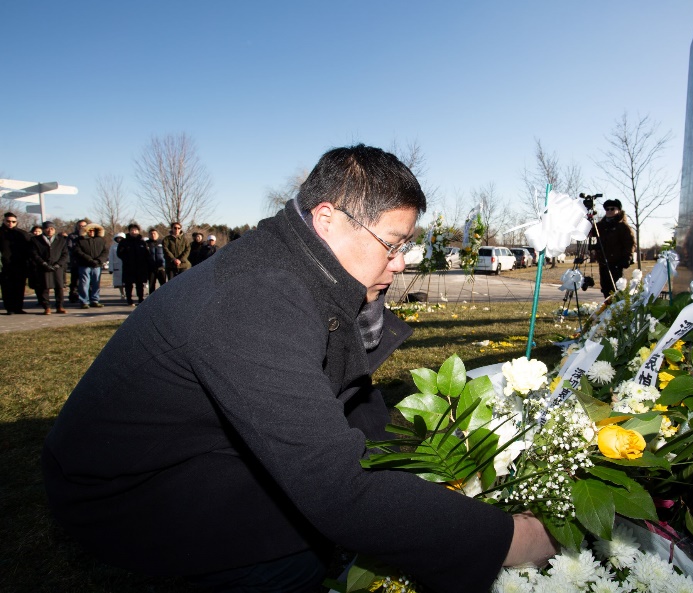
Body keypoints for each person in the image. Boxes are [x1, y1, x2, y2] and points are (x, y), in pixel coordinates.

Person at [42, 144, 556, 593]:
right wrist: (514, 538)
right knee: (290, 555)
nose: (401, 263)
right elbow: (342, 492)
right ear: (327, 218)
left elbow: (352, 402)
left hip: (189, 452)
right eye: (393, 244)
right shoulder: (255, 298)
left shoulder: (301, 267)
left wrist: (429, 462)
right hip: (128, 490)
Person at [593, 198, 636, 298]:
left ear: (618, 210)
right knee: (605, 288)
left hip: (616, 263)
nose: (609, 211)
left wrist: (627, 258)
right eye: (607, 209)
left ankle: (616, 309)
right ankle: (607, 308)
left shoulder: (623, 227)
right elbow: (590, 231)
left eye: (612, 209)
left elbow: (630, 244)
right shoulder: (601, 226)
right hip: (603, 262)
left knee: (616, 288)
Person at [31, 220, 69, 314]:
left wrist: (58, 264)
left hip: (57, 267)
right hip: (43, 267)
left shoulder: (61, 240)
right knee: (44, 288)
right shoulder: (36, 240)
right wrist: (43, 263)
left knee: (59, 287)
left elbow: (65, 254)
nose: (50, 230)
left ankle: (60, 306)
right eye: (47, 228)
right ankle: (46, 307)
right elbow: (34, 254)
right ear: (43, 229)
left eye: (52, 228)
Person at [0, 212, 31, 314]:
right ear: (4, 221)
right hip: (4, 266)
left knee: (19, 287)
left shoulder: (22, 234)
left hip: (20, 265)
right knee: (7, 288)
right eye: (8, 221)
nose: (10, 223)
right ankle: (10, 308)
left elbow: (29, 249)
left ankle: (18, 307)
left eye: (13, 222)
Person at [73, 223, 109, 308]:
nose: (91, 232)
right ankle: (84, 301)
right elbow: (78, 251)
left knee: (96, 283)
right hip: (85, 265)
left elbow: (105, 251)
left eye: (93, 231)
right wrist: (89, 259)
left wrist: (99, 260)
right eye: (90, 231)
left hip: (97, 265)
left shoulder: (100, 240)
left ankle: (95, 300)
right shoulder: (80, 240)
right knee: (84, 283)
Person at [116, 224, 152, 306]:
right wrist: (127, 260)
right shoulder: (124, 242)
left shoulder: (142, 242)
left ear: (138, 231)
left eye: (135, 230)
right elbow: (119, 253)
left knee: (140, 285)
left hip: (140, 267)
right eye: (132, 230)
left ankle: (140, 299)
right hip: (128, 267)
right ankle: (129, 300)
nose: (134, 231)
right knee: (128, 285)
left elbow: (147, 254)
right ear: (129, 231)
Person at [67, 220, 87, 303]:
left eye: (83, 226)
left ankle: (86, 296)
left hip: (86, 261)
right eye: (80, 226)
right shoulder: (72, 236)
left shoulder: (88, 235)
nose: (81, 227)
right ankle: (73, 296)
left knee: (86, 281)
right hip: (75, 261)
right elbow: (70, 247)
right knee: (75, 281)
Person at [145, 228, 166, 294]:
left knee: (163, 284)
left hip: (161, 267)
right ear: (149, 235)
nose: (153, 235)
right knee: (151, 285)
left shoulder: (162, 242)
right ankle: (152, 300)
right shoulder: (146, 244)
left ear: (158, 234)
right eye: (151, 234)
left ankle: (164, 297)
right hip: (151, 268)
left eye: (154, 233)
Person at [108, 232, 126, 299]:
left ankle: (127, 293)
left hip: (126, 266)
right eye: (118, 238)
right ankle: (122, 294)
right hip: (117, 267)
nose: (119, 239)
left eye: (121, 238)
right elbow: (111, 257)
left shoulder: (127, 245)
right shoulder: (113, 247)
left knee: (127, 282)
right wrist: (110, 268)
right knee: (119, 282)